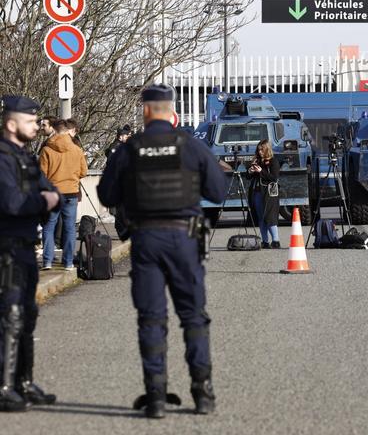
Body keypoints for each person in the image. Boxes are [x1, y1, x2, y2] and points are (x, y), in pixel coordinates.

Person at [97, 83, 227, 419]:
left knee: (152, 319)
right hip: (184, 239)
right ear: (173, 113)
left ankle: (155, 397)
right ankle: (203, 393)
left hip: (146, 241)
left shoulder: (131, 149)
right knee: (193, 317)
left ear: (144, 112)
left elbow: (107, 195)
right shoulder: (190, 145)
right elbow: (217, 189)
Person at [0, 95, 60, 412]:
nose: (36, 126)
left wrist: (46, 199)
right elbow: (11, 202)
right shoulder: (3, 158)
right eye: (30, 121)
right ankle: (4, 386)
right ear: (11, 124)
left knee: (27, 315)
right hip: (6, 247)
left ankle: (23, 382)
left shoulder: (25, 157)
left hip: (25, 245)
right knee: (9, 316)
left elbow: (53, 192)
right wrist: (42, 201)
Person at [39, 119, 87, 270]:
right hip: (71, 193)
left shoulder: (47, 149)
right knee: (69, 227)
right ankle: (67, 262)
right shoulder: (76, 150)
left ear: (54, 130)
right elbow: (83, 172)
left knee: (49, 226)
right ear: (67, 131)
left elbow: (41, 175)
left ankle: (47, 261)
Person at [247, 139, 281, 249]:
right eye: (258, 150)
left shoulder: (273, 161)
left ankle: (275, 241)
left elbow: (274, 178)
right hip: (257, 192)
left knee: (269, 217)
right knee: (261, 217)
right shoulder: (256, 161)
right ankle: (265, 241)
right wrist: (251, 171)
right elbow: (248, 176)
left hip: (269, 193)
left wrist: (261, 171)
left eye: (262, 150)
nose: (260, 152)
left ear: (267, 149)